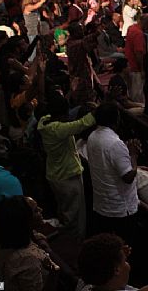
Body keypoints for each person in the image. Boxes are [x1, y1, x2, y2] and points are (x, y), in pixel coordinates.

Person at [37, 93, 96, 239]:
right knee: (75, 218)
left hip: (56, 175)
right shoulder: (57, 129)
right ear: (61, 114)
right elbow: (82, 123)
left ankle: (67, 239)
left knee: (65, 211)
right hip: (67, 176)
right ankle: (73, 244)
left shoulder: (45, 121)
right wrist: (100, 107)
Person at [86, 101, 141, 241]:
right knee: (123, 246)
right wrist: (133, 155)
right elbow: (128, 177)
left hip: (102, 203)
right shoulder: (115, 143)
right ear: (116, 120)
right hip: (120, 207)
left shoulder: (92, 136)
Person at [0, 196, 60, 291]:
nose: (41, 210)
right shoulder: (28, 259)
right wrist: (54, 274)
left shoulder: (4, 243)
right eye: (36, 211)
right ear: (26, 221)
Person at [125, 14, 148, 103]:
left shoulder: (131, 28)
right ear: (146, 23)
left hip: (129, 64)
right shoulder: (138, 34)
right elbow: (139, 53)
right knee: (138, 94)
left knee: (131, 90)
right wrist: (142, 69)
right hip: (136, 68)